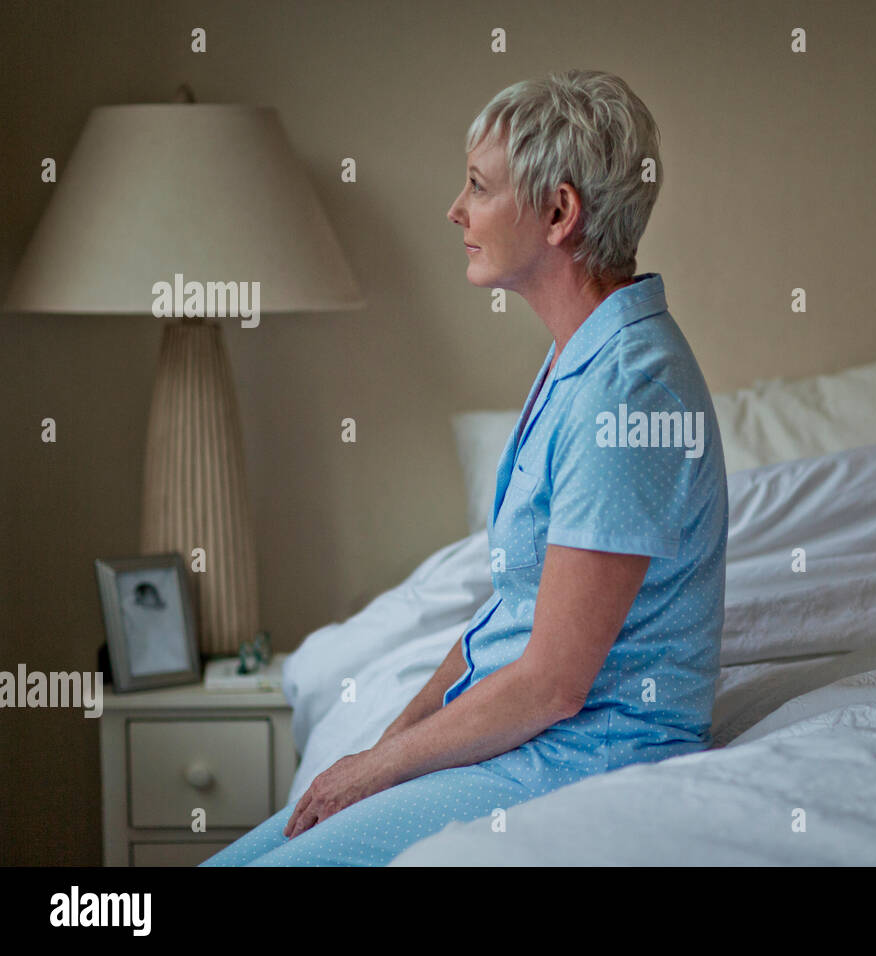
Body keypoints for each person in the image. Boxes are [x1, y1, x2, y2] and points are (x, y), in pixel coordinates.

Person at [202, 69, 727, 866]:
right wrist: (389, 742)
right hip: (528, 737)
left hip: (583, 754)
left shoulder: (628, 388)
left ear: (558, 212)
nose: (455, 210)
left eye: (479, 187)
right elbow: (510, 616)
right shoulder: (579, 359)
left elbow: (553, 684)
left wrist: (372, 771)